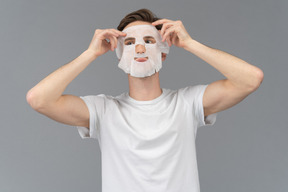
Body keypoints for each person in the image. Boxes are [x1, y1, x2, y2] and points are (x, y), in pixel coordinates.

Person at [26, 8, 263, 192]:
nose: (139, 48)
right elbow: (39, 99)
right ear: (119, 53)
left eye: (149, 41)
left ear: (163, 51)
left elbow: (251, 79)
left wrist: (191, 44)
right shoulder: (104, 110)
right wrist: (90, 54)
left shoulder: (186, 104)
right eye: (129, 43)